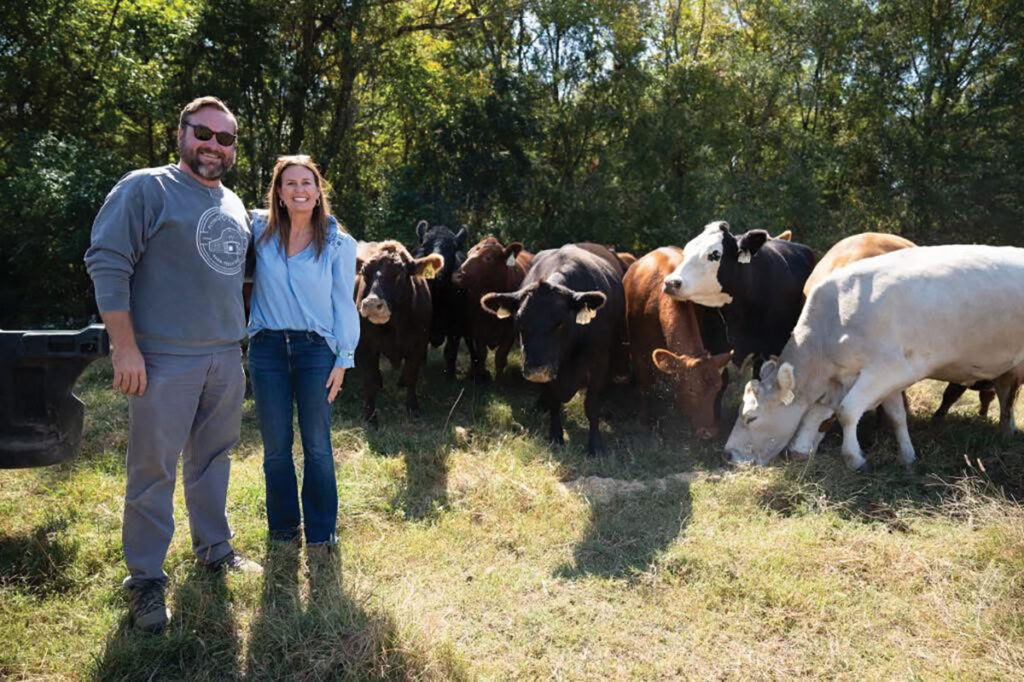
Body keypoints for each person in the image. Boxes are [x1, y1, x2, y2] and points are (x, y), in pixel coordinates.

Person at [85, 96, 261, 635]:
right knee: (152, 470)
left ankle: (214, 549)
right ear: (181, 133)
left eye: (224, 138)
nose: (212, 144)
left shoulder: (233, 204)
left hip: (225, 357)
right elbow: (107, 259)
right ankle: (144, 578)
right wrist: (125, 346)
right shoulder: (146, 187)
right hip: (162, 357)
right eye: (202, 133)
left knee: (214, 458)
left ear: (233, 149)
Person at [247, 155, 358, 558]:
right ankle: (282, 530)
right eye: (289, 183)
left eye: (306, 183)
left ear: (318, 191)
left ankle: (321, 534)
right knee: (276, 446)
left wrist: (343, 359)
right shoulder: (258, 230)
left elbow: (344, 303)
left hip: (316, 351)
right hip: (268, 351)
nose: (299, 190)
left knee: (317, 444)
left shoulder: (339, 244)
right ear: (277, 192)